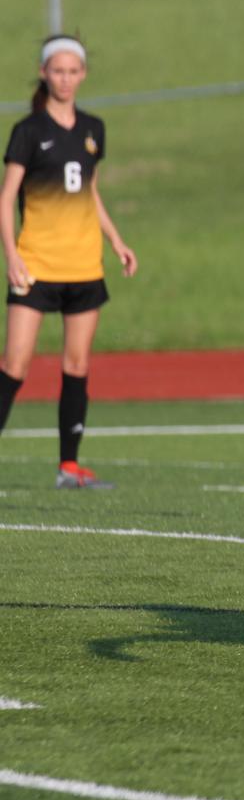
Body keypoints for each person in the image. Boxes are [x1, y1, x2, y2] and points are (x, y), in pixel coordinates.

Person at [0, 35, 137, 488]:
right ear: (44, 73)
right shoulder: (28, 132)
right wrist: (12, 256)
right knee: (15, 364)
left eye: (72, 70)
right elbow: (5, 200)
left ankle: (69, 466)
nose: (65, 78)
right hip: (37, 265)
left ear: (83, 75)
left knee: (77, 365)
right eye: (56, 70)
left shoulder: (93, 128)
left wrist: (116, 240)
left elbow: (89, 192)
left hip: (83, 265)